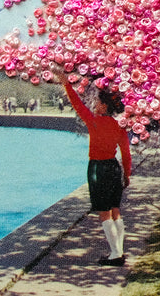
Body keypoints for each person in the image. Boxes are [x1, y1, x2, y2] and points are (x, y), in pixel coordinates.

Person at [58, 74, 132, 266]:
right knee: (116, 211)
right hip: (114, 168)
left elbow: (76, 104)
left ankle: (115, 254)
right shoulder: (119, 126)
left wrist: (66, 84)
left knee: (104, 212)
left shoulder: (94, 121)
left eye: (98, 102)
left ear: (105, 106)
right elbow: (125, 153)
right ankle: (119, 251)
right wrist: (127, 174)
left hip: (98, 168)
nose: (95, 105)